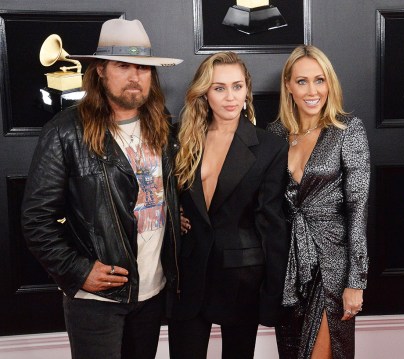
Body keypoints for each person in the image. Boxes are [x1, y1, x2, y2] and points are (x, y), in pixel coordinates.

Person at [21, 18, 182, 359]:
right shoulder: (65, 132)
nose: (135, 77)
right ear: (99, 72)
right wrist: (79, 271)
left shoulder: (162, 124)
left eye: (143, 67)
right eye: (123, 66)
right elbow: (36, 220)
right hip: (97, 302)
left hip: (152, 294)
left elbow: (159, 192)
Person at [168, 51, 289, 359]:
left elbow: (271, 223)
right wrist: (175, 213)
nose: (230, 96)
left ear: (247, 90)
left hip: (242, 278)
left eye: (237, 86)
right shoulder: (181, 139)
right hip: (188, 273)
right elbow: (158, 194)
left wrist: (274, 293)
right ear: (205, 93)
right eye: (219, 88)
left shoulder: (269, 147)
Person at [266, 45, 370, 359]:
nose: (313, 91)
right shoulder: (274, 134)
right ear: (288, 85)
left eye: (320, 80)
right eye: (302, 81)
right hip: (288, 268)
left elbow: (358, 208)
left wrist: (356, 280)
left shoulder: (347, 130)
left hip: (332, 266)